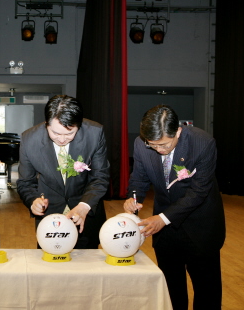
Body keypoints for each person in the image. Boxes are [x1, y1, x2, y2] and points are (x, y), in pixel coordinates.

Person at [124, 105, 226, 310]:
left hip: (200, 226)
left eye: (164, 144)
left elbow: (198, 193)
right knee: (171, 289)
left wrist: (163, 218)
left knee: (207, 291)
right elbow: (139, 178)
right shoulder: (141, 143)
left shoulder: (203, 143)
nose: (159, 150)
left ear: (178, 131)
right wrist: (133, 198)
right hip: (165, 231)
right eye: (152, 145)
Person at [17, 95, 110, 249]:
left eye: (69, 134)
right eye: (55, 133)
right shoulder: (29, 139)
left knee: (87, 267)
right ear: (46, 124)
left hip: (85, 214)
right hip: (50, 218)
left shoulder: (94, 133)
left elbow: (100, 177)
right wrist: (33, 201)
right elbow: (26, 182)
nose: (61, 139)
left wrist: (84, 205)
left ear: (78, 126)